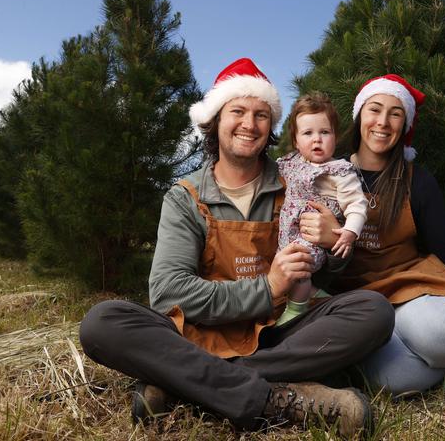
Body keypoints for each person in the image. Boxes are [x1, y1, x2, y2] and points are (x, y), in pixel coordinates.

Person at [78, 58, 395, 437]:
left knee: (373, 310)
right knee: (103, 322)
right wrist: (267, 287)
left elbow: (324, 271)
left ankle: (185, 384)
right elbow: (167, 293)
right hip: (196, 334)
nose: (250, 124)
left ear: (273, 128)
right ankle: (278, 396)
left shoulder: (295, 182)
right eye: (238, 111)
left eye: (262, 115)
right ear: (215, 121)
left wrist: (331, 241)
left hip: (280, 333)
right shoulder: (186, 198)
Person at [300, 74, 445, 397]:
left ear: (404, 124)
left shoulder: (417, 181)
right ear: (360, 115)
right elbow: (313, 264)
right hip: (361, 305)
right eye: (374, 110)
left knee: (438, 333)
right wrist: (332, 244)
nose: (383, 122)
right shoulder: (327, 175)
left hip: (412, 292)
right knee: (392, 380)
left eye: (395, 113)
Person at [275, 93, 368, 325]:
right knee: (282, 265)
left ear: (334, 137)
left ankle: (296, 309)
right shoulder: (292, 163)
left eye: (324, 132)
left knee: (299, 266)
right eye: (308, 133)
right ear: (296, 141)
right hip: (288, 231)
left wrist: (349, 233)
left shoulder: (339, 172)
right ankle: (315, 295)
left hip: (314, 238)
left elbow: (357, 205)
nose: (317, 140)